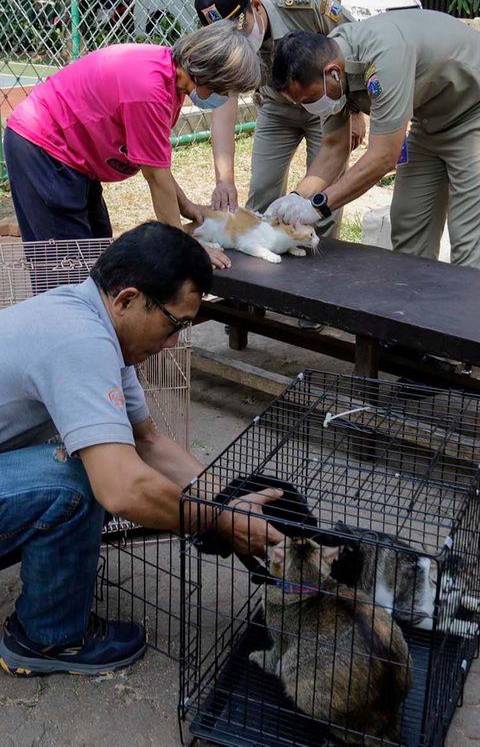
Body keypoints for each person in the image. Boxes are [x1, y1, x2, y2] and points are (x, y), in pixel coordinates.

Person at [0, 221, 283, 677]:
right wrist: (223, 522)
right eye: (175, 325)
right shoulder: (80, 339)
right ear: (128, 299)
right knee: (80, 481)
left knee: (103, 462)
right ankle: (48, 639)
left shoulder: (97, 323)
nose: (173, 342)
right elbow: (123, 489)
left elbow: (149, 441)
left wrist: (226, 501)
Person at [4, 19, 260, 268]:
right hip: (44, 147)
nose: (224, 98)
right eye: (224, 90)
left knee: (98, 249)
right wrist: (186, 248)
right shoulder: (149, 91)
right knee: (67, 264)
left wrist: (185, 206)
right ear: (205, 74)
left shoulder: (171, 77)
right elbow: (156, 180)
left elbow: (156, 163)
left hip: (72, 152)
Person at [266, 10, 480, 269]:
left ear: (333, 73)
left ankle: (467, 309)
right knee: (409, 227)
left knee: (470, 241)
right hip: (428, 120)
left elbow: (383, 157)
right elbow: (334, 146)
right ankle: (411, 307)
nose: (307, 108)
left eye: (310, 100)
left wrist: (319, 206)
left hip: (473, 112)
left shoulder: (384, 58)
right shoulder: (329, 63)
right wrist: (297, 198)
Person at [194, 0, 366, 237]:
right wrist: (224, 180)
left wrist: (353, 111)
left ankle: (322, 272)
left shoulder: (306, 5)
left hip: (327, 108)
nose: (237, 41)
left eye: (240, 29)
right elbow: (224, 107)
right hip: (276, 110)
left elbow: (353, 49)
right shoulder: (226, 49)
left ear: (257, 5)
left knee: (321, 202)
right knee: (262, 196)